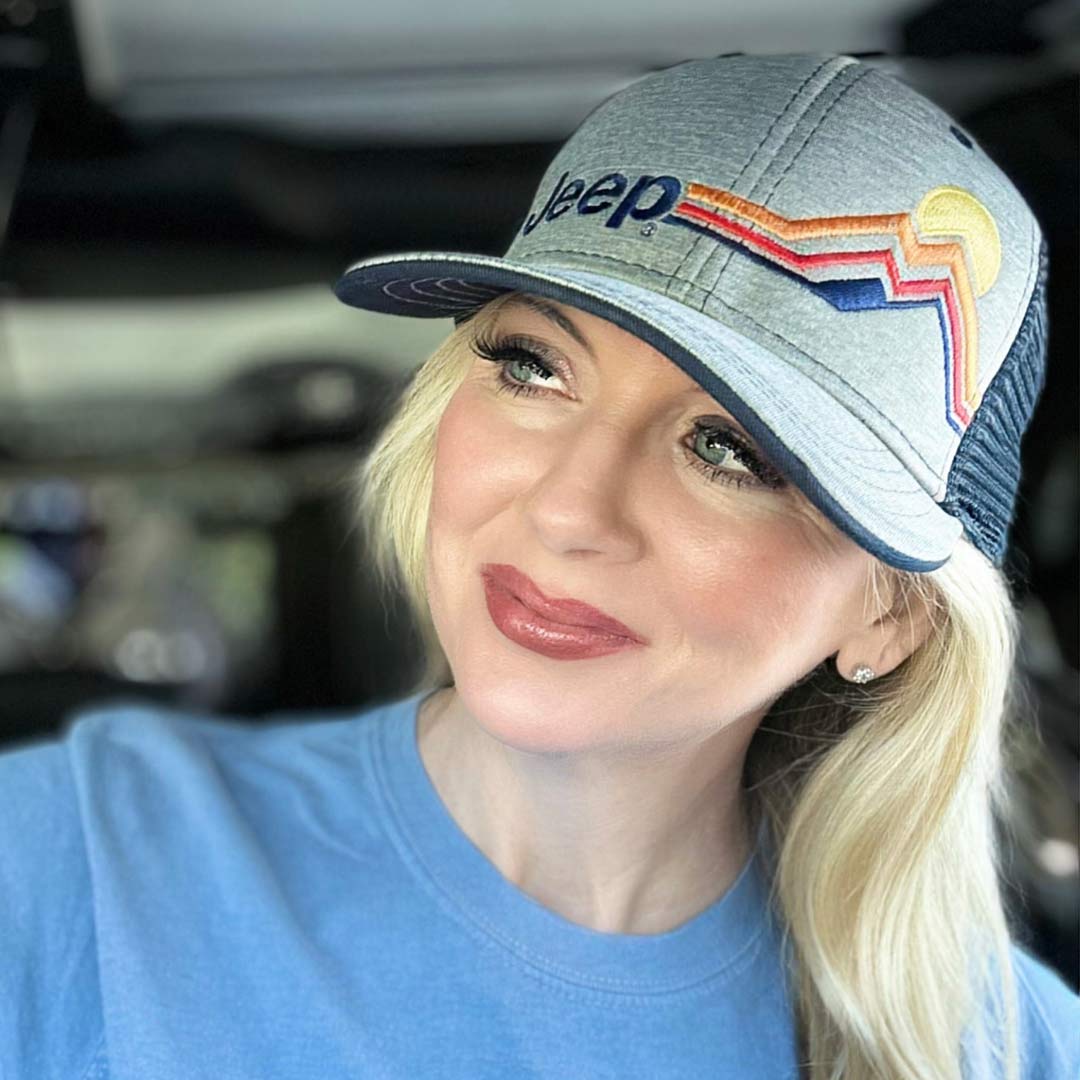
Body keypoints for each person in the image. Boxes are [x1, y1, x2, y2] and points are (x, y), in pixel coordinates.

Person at [1, 52, 1077, 1080]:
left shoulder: (1011, 1051)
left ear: (893, 615)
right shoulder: (68, 858)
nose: (567, 508)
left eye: (730, 450)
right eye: (535, 367)